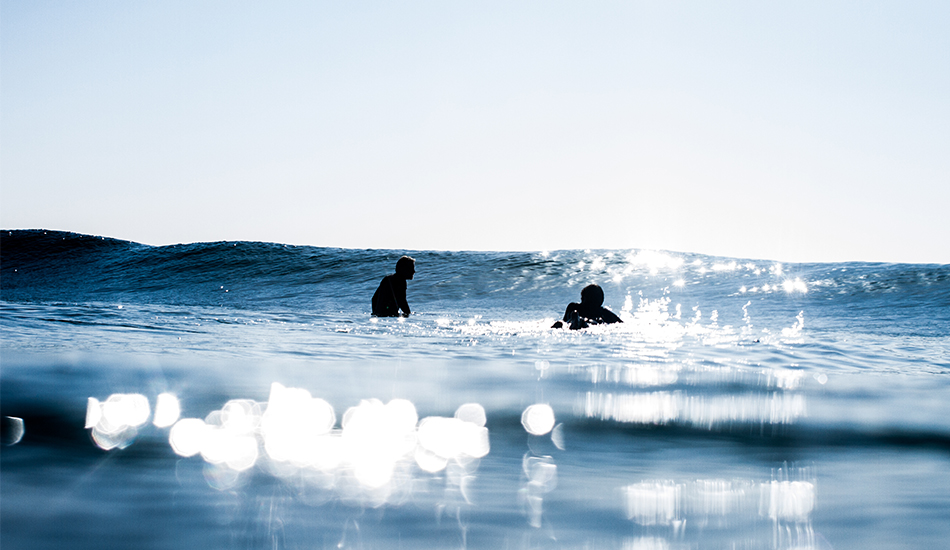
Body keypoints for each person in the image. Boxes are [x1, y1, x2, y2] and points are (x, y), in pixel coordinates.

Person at [552, 284, 623, 329]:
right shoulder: (603, 312)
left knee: (563, 323)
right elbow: (620, 323)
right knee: (594, 322)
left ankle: (575, 323)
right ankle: (578, 323)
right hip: (590, 323)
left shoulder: (574, 307)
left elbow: (564, 320)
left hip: (573, 321)